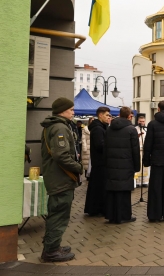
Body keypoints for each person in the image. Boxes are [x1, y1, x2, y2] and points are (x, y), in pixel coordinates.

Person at [40, 97, 83, 262]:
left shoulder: (54, 125)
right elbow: (61, 155)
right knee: (59, 215)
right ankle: (51, 251)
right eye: (71, 109)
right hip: (61, 178)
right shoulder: (59, 127)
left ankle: (53, 245)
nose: (73, 112)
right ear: (62, 111)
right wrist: (78, 167)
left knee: (56, 213)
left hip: (57, 177)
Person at [103, 107, 140, 224]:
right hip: (126, 164)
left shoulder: (109, 129)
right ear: (129, 116)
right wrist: (136, 166)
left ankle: (111, 215)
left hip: (111, 164)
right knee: (124, 191)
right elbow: (135, 150)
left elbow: (105, 148)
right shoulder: (131, 130)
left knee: (113, 191)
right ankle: (124, 216)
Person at [84, 107, 111, 216]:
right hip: (100, 162)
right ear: (100, 115)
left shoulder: (101, 127)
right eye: (106, 115)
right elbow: (100, 145)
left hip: (100, 162)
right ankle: (97, 209)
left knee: (98, 187)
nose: (108, 117)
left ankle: (96, 208)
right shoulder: (98, 129)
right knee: (99, 187)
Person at [136, 116, 149, 186]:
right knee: (138, 166)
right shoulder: (134, 129)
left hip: (145, 151)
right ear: (138, 121)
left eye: (143, 121)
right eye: (140, 121)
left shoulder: (147, 130)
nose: (141, 123)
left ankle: (145, 182)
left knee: (145, 166)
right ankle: (138, 182)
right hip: (137, 151)